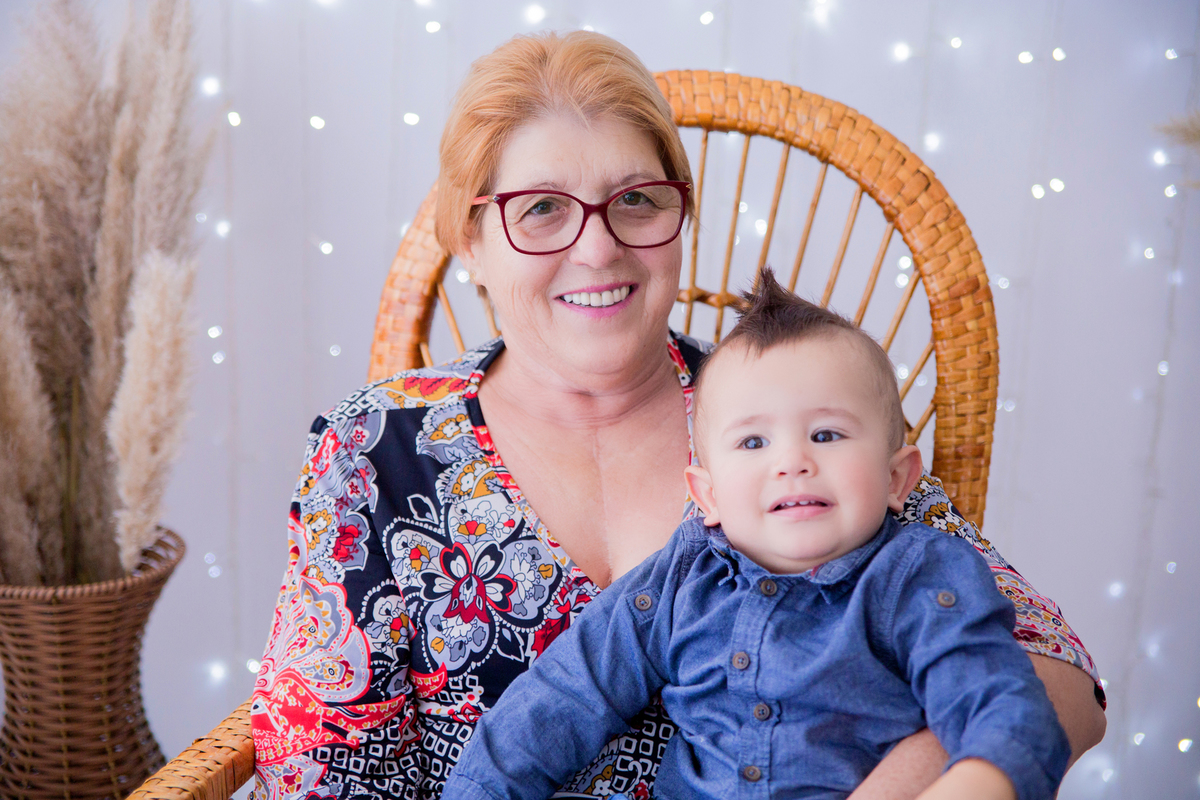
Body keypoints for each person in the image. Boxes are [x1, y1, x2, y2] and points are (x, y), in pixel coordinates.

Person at [249, 30, 1104, 800]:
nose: (598, 246)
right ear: (470, 240)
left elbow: (1058, 675)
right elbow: (317, 771)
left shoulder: (781, 413)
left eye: (637, 200)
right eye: (541, 207)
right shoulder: (372, 449)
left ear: (680, 213)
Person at [442, 273, 1071, 800]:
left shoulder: (919, 576)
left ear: (896, 476)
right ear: (707, 495)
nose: (791, 461)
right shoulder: (678, 582)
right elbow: (568, 693)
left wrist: (980, 778)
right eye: (753, 441)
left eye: (826, 434)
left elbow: (1005, 707)